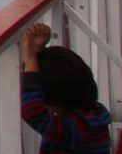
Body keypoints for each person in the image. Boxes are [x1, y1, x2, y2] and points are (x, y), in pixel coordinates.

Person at [20, 23, 113, 153]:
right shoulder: (94, 117)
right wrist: (37, 52)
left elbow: (32, 112)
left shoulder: (79, 131)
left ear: (53, 104)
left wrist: (31, 59)